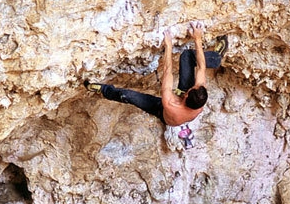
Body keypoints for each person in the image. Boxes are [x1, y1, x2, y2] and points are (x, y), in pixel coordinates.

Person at [84, 23, 227, 127]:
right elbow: (201, 66)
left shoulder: (170, 104)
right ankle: (216, 57)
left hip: (162, 111)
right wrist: (197, 38)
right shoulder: (199, 95)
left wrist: (169, 46)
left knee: (126, 95)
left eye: (190, 89)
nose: (194, 86)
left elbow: (167, 71)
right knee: (187, 56)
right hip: (185, 102)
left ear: (185, 95)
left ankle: (102, 89)